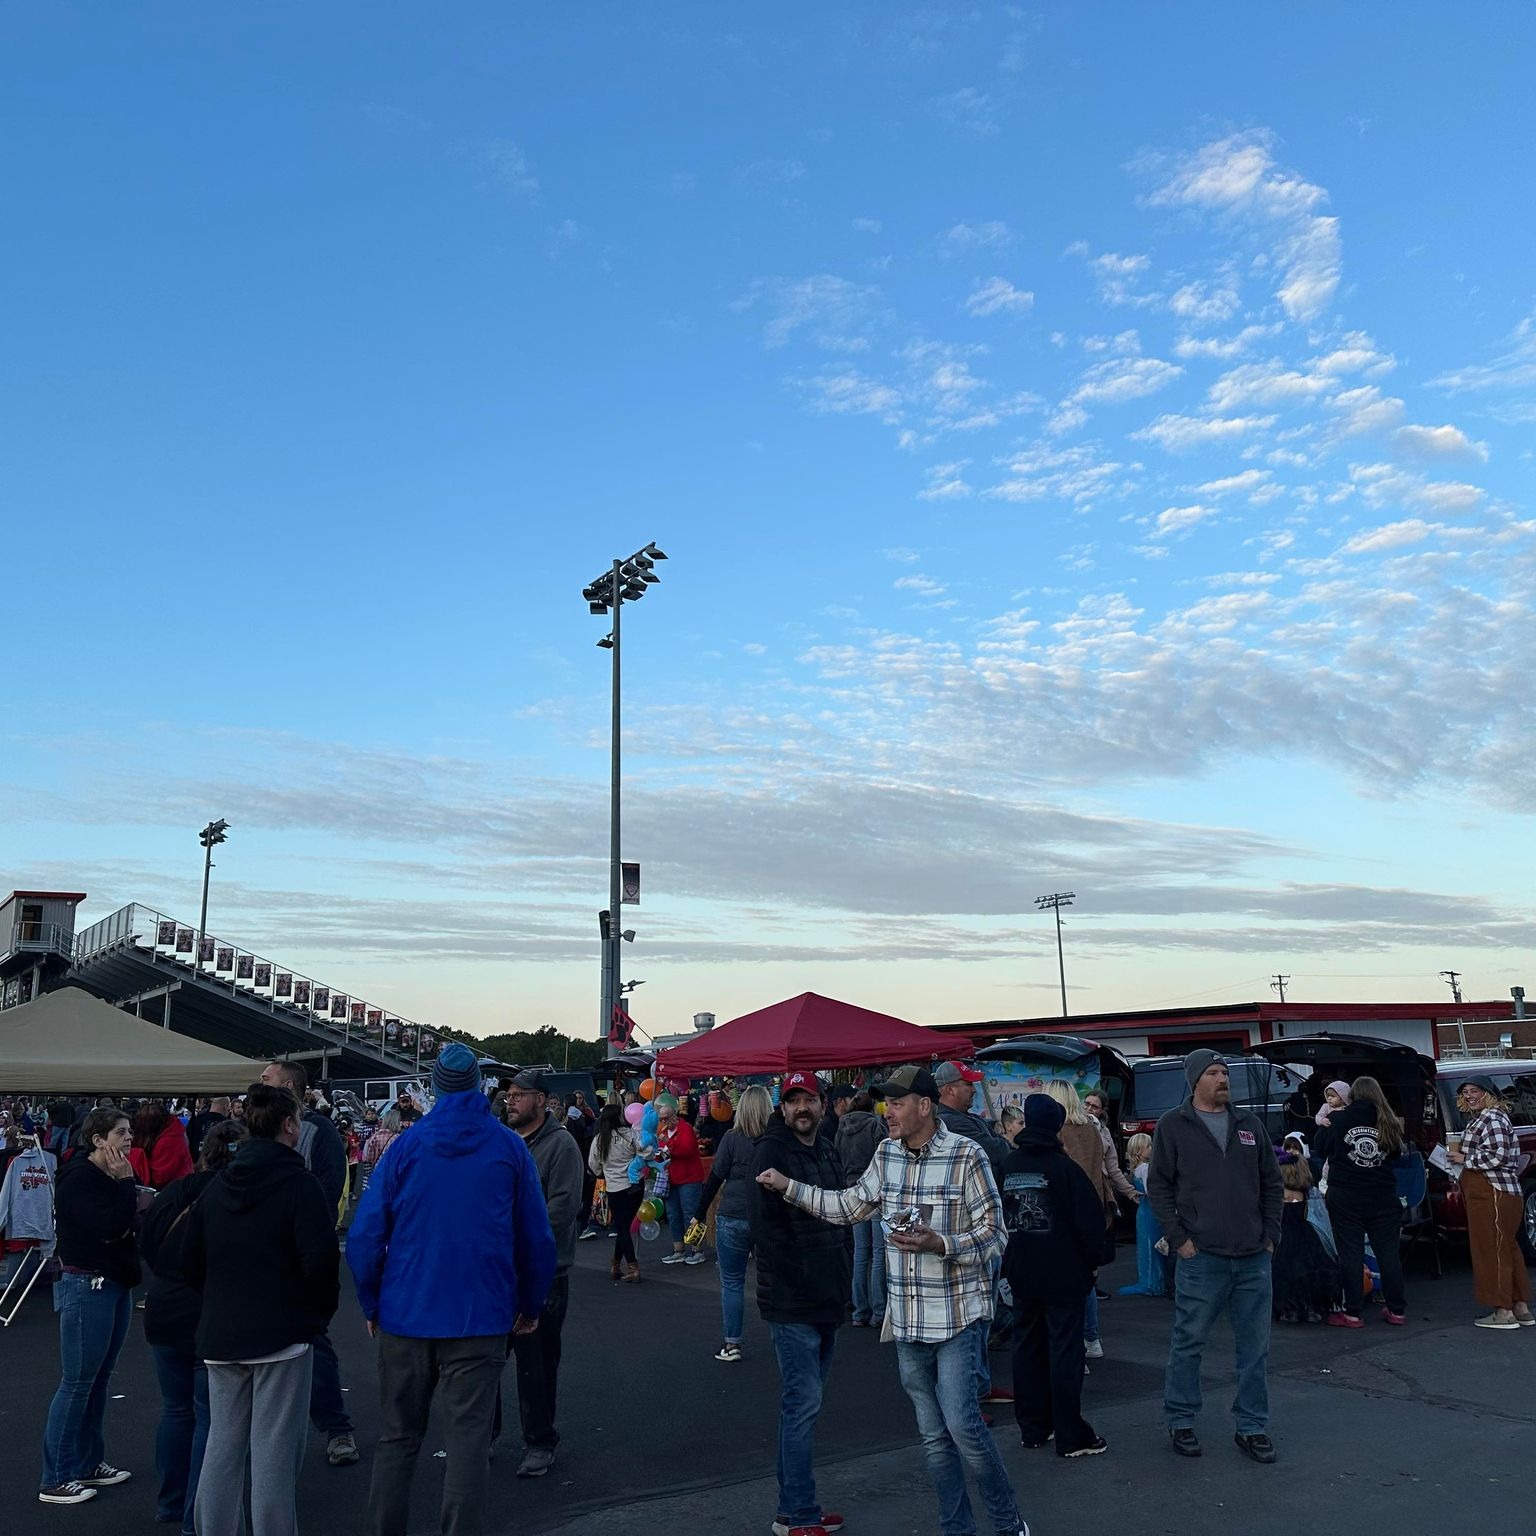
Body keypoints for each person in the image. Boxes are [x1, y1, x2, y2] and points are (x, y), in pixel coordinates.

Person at [759, 1064, 1030, 1536]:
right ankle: (956, 1527)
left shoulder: (967, 1156)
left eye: (898, 1102)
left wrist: (940, 1243)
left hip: (958, 1316)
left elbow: (995, 1236)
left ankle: (1007, 1523)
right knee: (933, 1439)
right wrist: (789, 1188)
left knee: (964, 1430)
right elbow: (848, 1207)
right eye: (886, 1102)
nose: (888, 1111)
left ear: (925, 1106)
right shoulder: (886, 1154)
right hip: (906, 1323)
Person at [348, 1043, 556, 1536]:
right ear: (480, 1087)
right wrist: (530, 1302)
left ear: (434, 1088)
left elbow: (364, 1236)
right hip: (480, 1314)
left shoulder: (406, 1146)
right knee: (467, 1442)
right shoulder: (508, 1147)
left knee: (398, 1438)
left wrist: (371, 1301)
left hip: (406, 1311)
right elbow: (537, 1237)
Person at [182, 1084, 341, 1536]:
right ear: (290, 1126)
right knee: (272, 1451)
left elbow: (188, 1261)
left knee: (222, 1446)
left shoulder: (217, 1189)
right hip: (281, 1336)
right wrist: (313, 1317)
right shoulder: (300, 1186)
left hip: (221, 1334)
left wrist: (217, 1302)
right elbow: (321, 1261)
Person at [1147, 1049, 1283, 1464]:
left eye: (1224, 1072)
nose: (1223, 1078)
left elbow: (1272, 1183)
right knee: (1189, 1342)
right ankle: (1181, 1420)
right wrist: (1179, 1238)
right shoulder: (1174, 1125)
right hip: (1201, 1257)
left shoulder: (1249, 1124)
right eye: (1213, 1072)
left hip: (1252, 1257)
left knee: (1254, 1347)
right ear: (1195, 1081)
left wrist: (1271, 1235)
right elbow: (1160, 1187)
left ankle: (1252, 1426)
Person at [749, 1070, 853, 1536]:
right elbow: (766, 1231)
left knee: (805, 1404)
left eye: (807, 1098)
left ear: (822, 1101)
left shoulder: (827, 1149)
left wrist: (844, 1269)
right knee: (801, 1404)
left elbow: (841, 1212)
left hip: (828, 1294)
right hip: (793, 1302)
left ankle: (792, 1508)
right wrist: (798, 1280)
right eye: (792, 1101)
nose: (800, 1108)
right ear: (782, 1107)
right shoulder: (770, 1151)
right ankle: (801, 1516)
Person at [141, 1119, 248, 1536]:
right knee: (212, 1420)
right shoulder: (233, 1198)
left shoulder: (173, 1193)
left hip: (166, 1308)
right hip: (209, 1312)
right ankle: (195, 1516)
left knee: (176, 1410)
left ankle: (171, 1502)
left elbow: (147, 1243)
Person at [38, 1107, 140, 1506]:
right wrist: (127, 1187)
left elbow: (121, 1227)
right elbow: (112, 1227)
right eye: (121, 1133)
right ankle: (56, 1476)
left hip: (113, 1282)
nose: (129, 1139)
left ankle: (87, 1463)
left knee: (99, 1379)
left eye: (130, 1132)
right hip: (87, 1284)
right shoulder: (81, 1179)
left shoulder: (104, 1176)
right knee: (78, 1381)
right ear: (98, 1140)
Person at [1001, 1094, 1112, 1457]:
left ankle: (1033, 1427)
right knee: (1065, 1352)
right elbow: (1090, 1222)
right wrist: (1097, 1258)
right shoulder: (1065, 1169)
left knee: (1026, 1347)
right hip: (1063, 1272)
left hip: (1021, 1269)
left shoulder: (1007, 1165)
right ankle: (1070, 1433)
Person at [259, 1060, 357, 1466]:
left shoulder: (319, 1131)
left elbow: (329, 1188)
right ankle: (267, 1437)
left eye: (266, 1079)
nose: (258, 1084)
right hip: (258, 1257)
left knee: (312, 1339)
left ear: (289, 1086)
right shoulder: (255, 1129)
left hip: (299, 1254)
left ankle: (336, 1429)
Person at [497, 1069, 583, 1478]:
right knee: (486, 1360)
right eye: (508, 1095)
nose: (510, 1101)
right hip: (498, 1274)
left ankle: (540, 1442)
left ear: (543, 1101)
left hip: (542, 1274)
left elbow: (562, 1210)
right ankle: (484, 1435)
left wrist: (513, 1239)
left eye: (519, 1094)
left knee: (536, 1366)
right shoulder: (506, 1143)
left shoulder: (561, 1145)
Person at [1312, 1074, 1407, 1328]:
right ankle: (1396, 1309)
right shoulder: (1388, 1121)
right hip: (1383, 1195)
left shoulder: (1338, 1118)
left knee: (1350, 1253)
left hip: (1346, 1195)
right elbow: (1397, 1154)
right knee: (1388, 1254)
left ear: (1352, 1095)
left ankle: (1352, 1312)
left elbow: (1320, 1148)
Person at [691, 1084, 772, 1361]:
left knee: (733, 1282)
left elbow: (715, 1178)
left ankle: (732, 1343)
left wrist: (699, 1213)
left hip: (733, 1214)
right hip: (766, 1215)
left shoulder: (731, 1138)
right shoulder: (774, 1139)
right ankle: (782, 1335)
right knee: (772, 1278)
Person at [1447, 1076, 1532, 1330]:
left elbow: (1498, 1155)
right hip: (1500, 1192)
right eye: (1465, 1092)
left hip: (1492, 1191)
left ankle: (1503, 1312)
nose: (1470, 1095)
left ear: (1489, 1094)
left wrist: (1464, 1158)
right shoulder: (1483, 1118)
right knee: (1507, 1248)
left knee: (1491, 1249)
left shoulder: (1492, 1117)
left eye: (1475, 1090)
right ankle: (1520, 1307)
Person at [1043, 1080, 1110, 1360]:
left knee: (1063, 1286)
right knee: (1086, 1280)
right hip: (1093, 1208)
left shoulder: (1059, 1132)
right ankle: (1091, 1338)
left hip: (1064, 1214)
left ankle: (1076, 1348)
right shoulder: (1091, 1129)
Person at [835, 1091, 888, 1328]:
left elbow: (838, 1157)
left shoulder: (841, 1128)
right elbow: (886, 1158)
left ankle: (859, 1311)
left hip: (852, 1191)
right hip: (875, 1193)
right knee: (878, 1254)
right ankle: (878, 1311)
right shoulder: (876, 1127)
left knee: (860, 1253)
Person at [1269, 1151, 1337, 1324]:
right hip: (1306, 1234)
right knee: (1308, 1273)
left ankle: (1288, 1309)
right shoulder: (1306, 1191)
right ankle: (1309, 1308)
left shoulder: (1279, 1191)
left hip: (1284, 1236)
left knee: (1285, 1274)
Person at [588, 1104, 644, 1282]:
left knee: (623, 1227)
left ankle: (632, 1266)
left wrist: (603, 1171)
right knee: (624, 1228)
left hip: (615, 1187)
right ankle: (616, 1264)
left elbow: (593, 1166)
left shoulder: (599, 1140)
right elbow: (644, 1152)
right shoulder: (630, 1135)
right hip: (634, 1186)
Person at [1116, 1134, 1170, 1298]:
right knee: (1154, 1246)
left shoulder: (1136, 1169)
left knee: (1147, 1246)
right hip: (1151, 1212)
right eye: (1149, 1146)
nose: (1152, 1149)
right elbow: (1151, 1190)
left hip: (1144, 1211)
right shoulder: (1146, 1169)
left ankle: (1150, 1280)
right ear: (1139, 1151)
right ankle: (1156, 1282)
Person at [658, 1094, 708, 1266]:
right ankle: (678, 1249)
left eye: (666, 1118)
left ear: (674, 1116)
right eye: (661, 1119)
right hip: (671, 1179)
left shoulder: (685, 1128)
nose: (663, 1121)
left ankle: (697, 1250)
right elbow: (663, 1154)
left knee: (690, 1214)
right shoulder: (663, 1131)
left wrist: (668, 1144)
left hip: (689, 1178)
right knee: (673, 1215)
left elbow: (686, 1150)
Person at [1083, 1089, 1139, 1208]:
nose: (1089, 1109)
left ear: (1102, 1110)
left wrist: (1130, 1192)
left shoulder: (1105, 1132)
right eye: (1087, 1104)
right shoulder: (1072, 1127)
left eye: (1095, 1106)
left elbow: (1112, 1167)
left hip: (1099, 1185)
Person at [128, 1101, 196, 1190]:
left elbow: (159, 1179)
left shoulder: (170, 1141)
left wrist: (138, 1159)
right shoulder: (171, 1132)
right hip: (176, 1187)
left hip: (175, 1190)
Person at [186, 1097, 231, 1164]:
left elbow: (187, 1138)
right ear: (225, 1106)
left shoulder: (196, 1120)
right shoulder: (227, 1123)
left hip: (196, 1161)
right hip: (218, 1163)